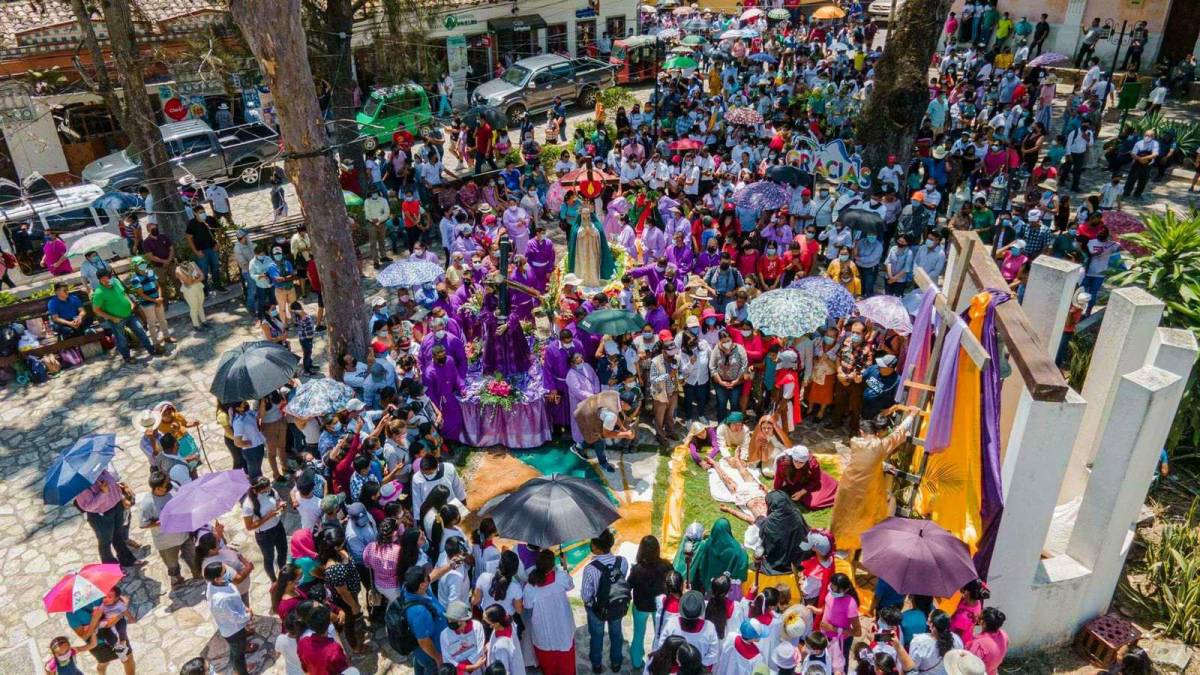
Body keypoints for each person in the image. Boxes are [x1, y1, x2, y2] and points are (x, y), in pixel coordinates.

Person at [829, 414, 915, 552]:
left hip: (848, 484)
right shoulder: (881, 445)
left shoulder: (855, 442)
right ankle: (861, 543)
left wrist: (884, 465)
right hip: (868, 488)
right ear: (876, 432)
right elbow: (898, 433)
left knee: (844, 515)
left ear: (862, 432)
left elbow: (867, 460)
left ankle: (839, 542)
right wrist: (911, 415)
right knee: (866, 515)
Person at [138, 470, 197, 588]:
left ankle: (198, 574)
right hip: (167, 542)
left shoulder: (173, 487)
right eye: (166, 484)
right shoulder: (147, 504)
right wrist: (158, 523)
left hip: (184, 533)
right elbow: (143, 524)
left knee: (192, 556)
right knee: (172, 564)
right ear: (158, 488)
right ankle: (177, 580)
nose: (169, 484)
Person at [522, 548, 576, 675]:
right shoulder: (561, 577)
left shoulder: (530, 587)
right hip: (564, 631)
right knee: (567, 668)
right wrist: (564, 566)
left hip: (544, 635)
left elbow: (528, 606)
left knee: (548, 669)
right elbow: (571, 585)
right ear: (553, 565)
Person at [581, 528, 628, 673]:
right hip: (617, 605)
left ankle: (597, 665)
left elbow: (586, 596)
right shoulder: (622, 561)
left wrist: (589, 605)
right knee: (616, 633)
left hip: (597, 609)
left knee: (597, 636)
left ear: (596, 547)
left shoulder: (590, 569)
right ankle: (616, 663)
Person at [75, 468, 140, 568]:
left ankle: (127, 559)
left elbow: (113, 483)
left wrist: (121, 495)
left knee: (118, 535)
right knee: (105, 542)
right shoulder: (80, 485)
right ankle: (110, 567)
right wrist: (103, 492)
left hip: (116, 506)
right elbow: (89, 506)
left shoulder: (99, 470)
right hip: (101, 515)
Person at [92, 269, 156, 365]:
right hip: (116, 320)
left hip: (129, 314)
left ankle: (151, 349)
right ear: (102, 279)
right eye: (108, 277)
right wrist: (112, 318)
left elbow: (124, 293)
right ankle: (127, 357)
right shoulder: (99, 292)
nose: (111, 279)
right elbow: (96, 310)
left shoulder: (116, 281)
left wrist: (130, 303)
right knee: (121, 339)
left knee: (140, 330)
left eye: (110, 276)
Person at [204, 561, 256, 675]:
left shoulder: (215, 583)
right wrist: (248, 615)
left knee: (235, 650)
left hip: (234, 627)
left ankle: (236, 668)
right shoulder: (220, 600)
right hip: (234, 631)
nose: (227, 571)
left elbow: (235, 602)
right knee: (239, 655)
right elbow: (234, 617)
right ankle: (242, 671)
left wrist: (244, 608)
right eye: (224, 571)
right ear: (217, 578)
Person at [772, 445, 839, 511]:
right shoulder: (783, 462)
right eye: (795, 461)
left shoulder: (812, 463)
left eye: (801, 462)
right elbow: (778, 479)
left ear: (806, 461)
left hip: (809, 483)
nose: (798, 464)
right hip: (795, 484)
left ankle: (832, 488)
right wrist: (775, 492)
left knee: (814, 504)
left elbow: (815, 480)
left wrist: (802, 492)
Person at [907, 610, 963, 675]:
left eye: (928, 620)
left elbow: (912, 668)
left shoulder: (919, 642)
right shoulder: (956, 639)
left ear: (932, 625)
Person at [441, 601, 487, 672]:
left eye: (460, 626)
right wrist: (464, 667)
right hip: (458, 671)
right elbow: (447, 658)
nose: (460, 630)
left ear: (465, 620)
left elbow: (480, 649)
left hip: (477, 669)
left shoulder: (477, 626)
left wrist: (471, 665)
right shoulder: (444, 635)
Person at [483, 605, 527, 675]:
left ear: (496, 624)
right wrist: (491, 645)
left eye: (487, 622)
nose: (486, 624)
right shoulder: (507, 624)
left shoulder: (501, 648)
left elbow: (502, 671)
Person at [966, 607, 1008, 674]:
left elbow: (970, 667)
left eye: (980, 616)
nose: (977, 616)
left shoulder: (978, 644)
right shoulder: (1004, 635)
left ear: (983, 622)